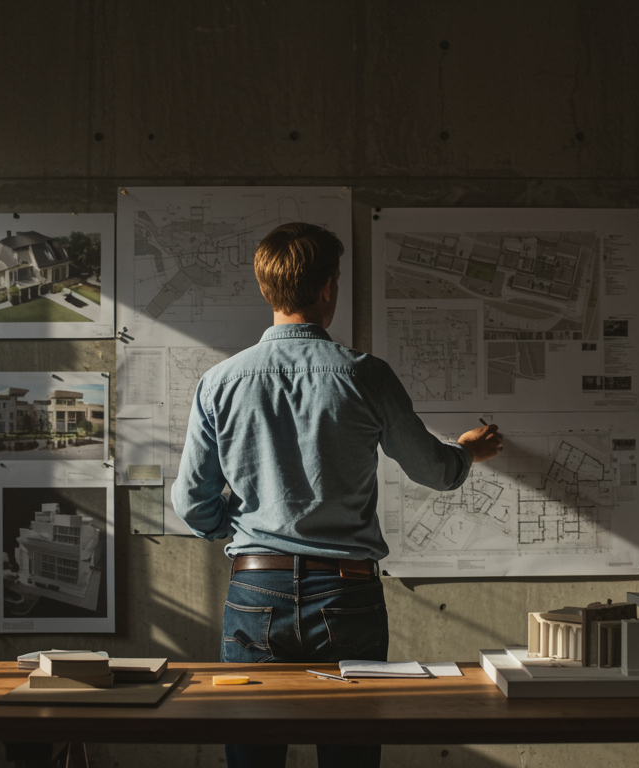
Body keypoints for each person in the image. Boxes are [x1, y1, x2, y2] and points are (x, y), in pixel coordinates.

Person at [173, 222, 503, 768]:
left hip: (255, 588)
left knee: (252, 757)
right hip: (347, 594)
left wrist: (247, 525)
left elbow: (192, 503)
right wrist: (467, 451)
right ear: (328, 287)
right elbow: (436, 472)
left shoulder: (220, 381)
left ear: (265, 289)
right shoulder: (365, 376)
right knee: (349, 756)